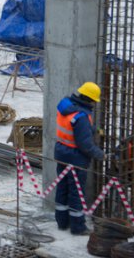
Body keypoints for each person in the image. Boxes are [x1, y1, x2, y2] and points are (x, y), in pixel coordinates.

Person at [54, 82, 105, 235]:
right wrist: (100, 154)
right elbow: (85, 145)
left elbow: (72, 126)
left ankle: (62, 222)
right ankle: (78, 227)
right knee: (76, 193)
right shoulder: (81, 116)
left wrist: (93, 130)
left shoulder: (66, 105)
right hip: (75, 158)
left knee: (62, 188)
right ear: (89, 99)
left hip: (61, 153)